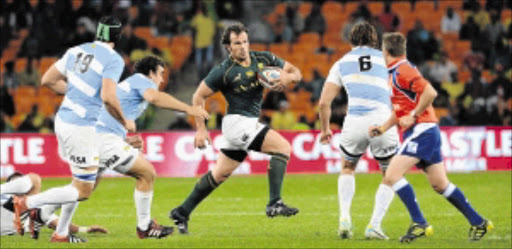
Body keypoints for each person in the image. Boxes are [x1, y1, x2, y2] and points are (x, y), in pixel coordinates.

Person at [169, 23, 302, 234]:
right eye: (237, 43)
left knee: (219, 175)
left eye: (245, 42)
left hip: (245, 124)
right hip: (237, 123)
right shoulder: (224, 71)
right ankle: (275, 203)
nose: (242, 47)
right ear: (228, 47)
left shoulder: (264, 59)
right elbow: (198, 96)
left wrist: (288, 77)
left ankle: (182, 212)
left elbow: (296, 72)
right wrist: (201, 129)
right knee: (283, 148)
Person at [13, 16, 132, 243]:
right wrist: (124, 121)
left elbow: (47, 79)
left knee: (83, 181)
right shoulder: (114, 60)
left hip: (66, 120)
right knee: (83, 190)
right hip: (80, 126)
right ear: (118, 36)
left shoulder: (76, 50)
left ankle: (61, 233)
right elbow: (108, 97)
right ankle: (26, 203)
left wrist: (75, 92)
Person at [369, 32, 493, 243]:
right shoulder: (394, 72)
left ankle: (419, 222)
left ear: (386, 52)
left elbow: (431, 92)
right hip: (426, 131)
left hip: (422, 130)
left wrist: (414, 115)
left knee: (391, 175)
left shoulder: (402, 70)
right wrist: (383, 128)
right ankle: (479, 222)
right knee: (440, 184)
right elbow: (401, 109)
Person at [94, 56, 209, 239]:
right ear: (151, 73)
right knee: (146, 173)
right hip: (102, 139)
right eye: (161, 74)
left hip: (98, 137)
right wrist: (189, 109)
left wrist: (125, 141)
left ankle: (40, 212)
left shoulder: (130, 85)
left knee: (83, 189)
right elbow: (155, 97)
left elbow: (111, 118)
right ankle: (145, 226)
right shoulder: (141, 80)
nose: (162, 79)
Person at [318, 22, 399, 240]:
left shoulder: (341, 63)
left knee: (347, 168)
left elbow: (324, 103)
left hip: (354, 121)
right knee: (390, 174)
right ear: (375, 40)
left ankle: (344, 218)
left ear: (351, 40)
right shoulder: (387, 59)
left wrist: (325, 130)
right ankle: (374, 225)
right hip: (382, 120)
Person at [1, 172, 108, 237]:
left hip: (18, 222)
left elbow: (58, 224)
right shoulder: (29, 203)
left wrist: (85, 229)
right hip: (16, 218)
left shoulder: (36, 206)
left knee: (74, 192)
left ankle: (88, 181)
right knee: (35, 179)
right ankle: (93, 177)